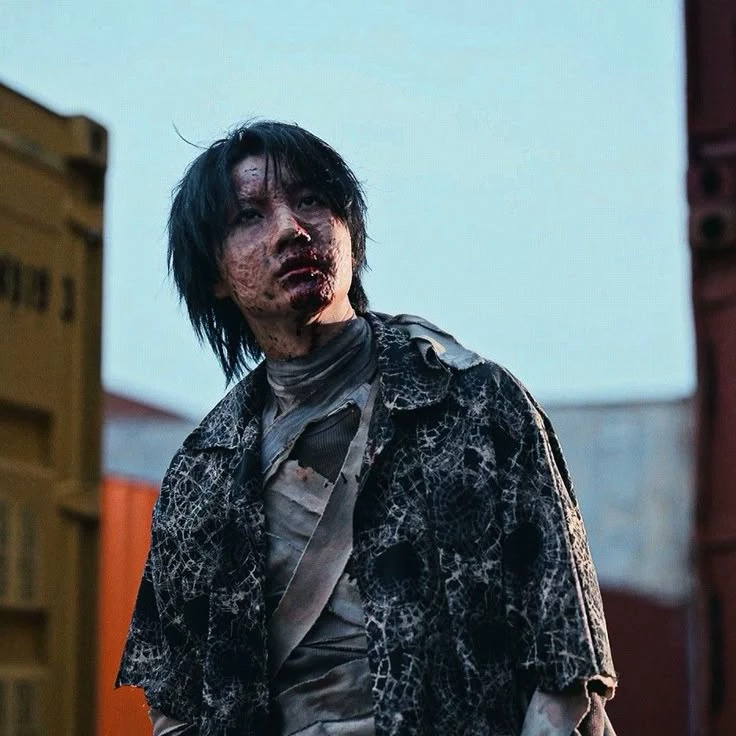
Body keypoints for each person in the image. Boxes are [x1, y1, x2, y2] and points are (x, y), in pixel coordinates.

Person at [117, 121, 617, 736]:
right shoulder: (203, 474)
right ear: (215, 273)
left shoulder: (475, 405)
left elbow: (565, 661)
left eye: (311, 200)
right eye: (249, 216)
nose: (291, 229)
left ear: (350, 231)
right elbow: (175, 701)